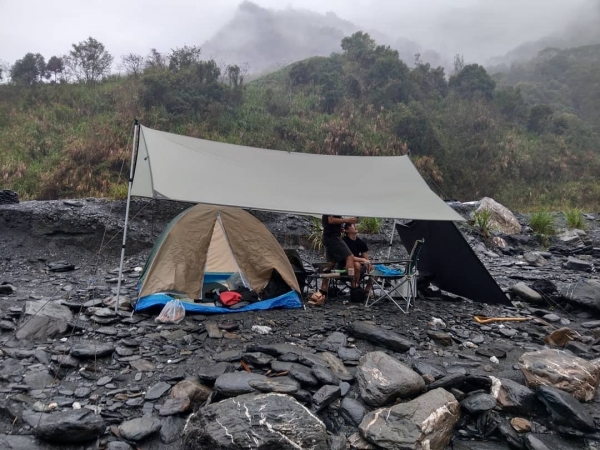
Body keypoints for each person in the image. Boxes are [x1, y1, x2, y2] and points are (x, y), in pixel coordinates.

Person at [310, 215, 357, 305]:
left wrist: (339, 228)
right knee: (350, 257)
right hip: (333, 237)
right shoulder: (330, 209)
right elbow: (331, 220)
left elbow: (330, 223)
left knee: (331, 263)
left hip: (329, 236)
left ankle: (323, 291)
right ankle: (353, 286)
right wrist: (348, 220)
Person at [342, 222, 374, 293]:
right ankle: (355, 286)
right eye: (352, 225)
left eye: (355, 225)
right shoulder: (343, 242)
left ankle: (367, 290)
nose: (355, 226)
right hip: (345, 266)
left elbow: (366, 258)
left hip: (359, 266)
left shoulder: (361, 242)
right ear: (347, 230)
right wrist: (362, 259)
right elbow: (349, 257)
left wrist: (369, 265)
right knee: (356, 264)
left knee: (374, 269)